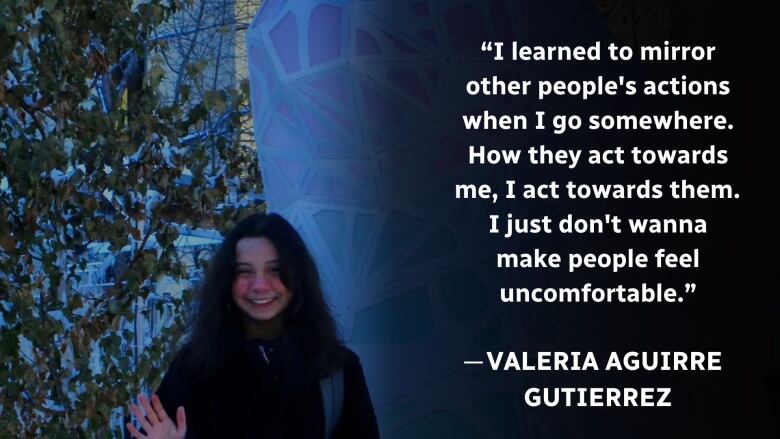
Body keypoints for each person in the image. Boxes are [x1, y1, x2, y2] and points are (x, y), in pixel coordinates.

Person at [126, 213, 380, 438]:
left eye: (275, 270)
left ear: (299, 276)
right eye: (244, 272)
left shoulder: (336, 370)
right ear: (227, 280)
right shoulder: (194, 368)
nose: (259, 285)